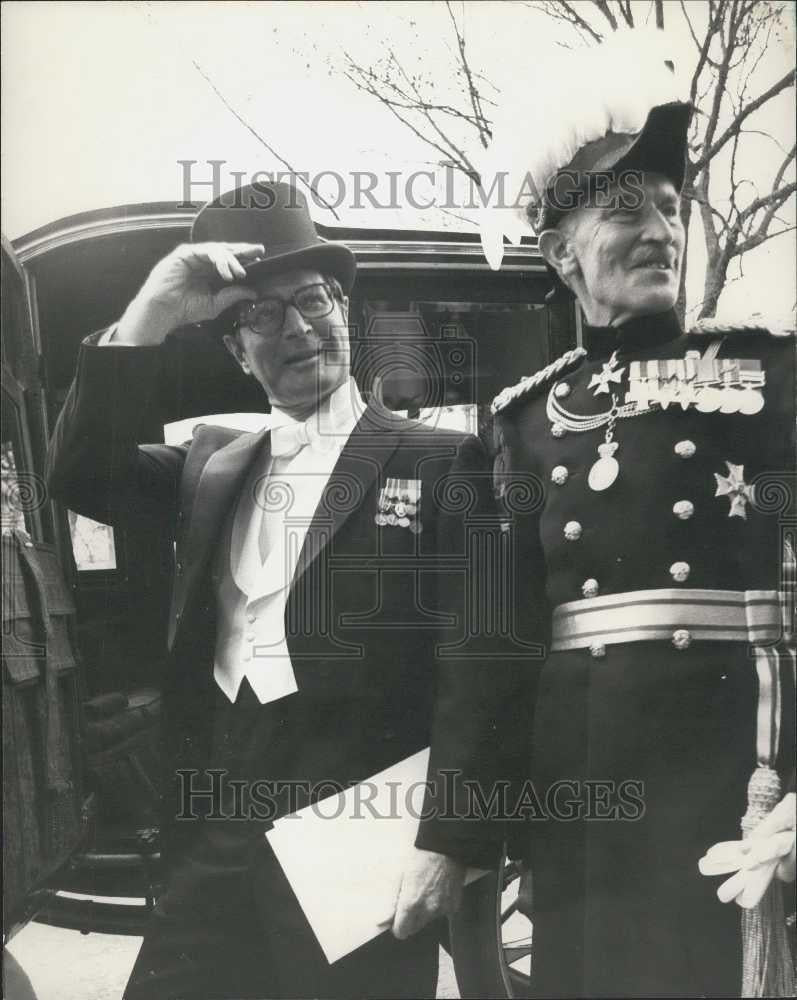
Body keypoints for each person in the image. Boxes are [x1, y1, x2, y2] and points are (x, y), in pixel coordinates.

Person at [47, 181, 519, 999]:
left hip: (353, 843)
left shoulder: (443, 461)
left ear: (345, 310)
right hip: (213, 831)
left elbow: (482, 665)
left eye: (313, 300)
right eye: (262, 315)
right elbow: (81, 472)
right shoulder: (213, 462)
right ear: (234, 349)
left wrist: (449, 840)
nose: (298, 328)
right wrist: (152, 310)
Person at [480, 30, 796, 998]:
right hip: (576, 794)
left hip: (728, 782)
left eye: (668, 206)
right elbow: (492, 646)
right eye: (624, 211)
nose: (659, 228)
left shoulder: (767, 370)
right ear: (557, 256)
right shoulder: (522, 422)